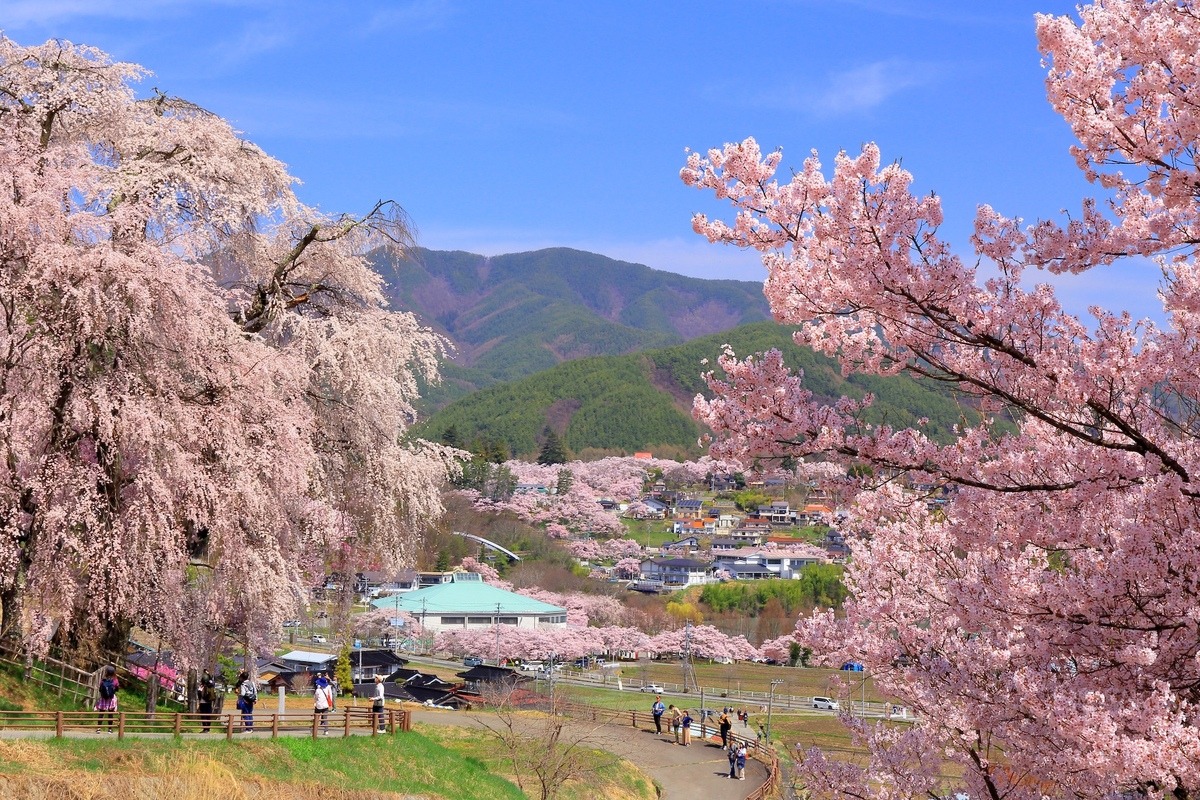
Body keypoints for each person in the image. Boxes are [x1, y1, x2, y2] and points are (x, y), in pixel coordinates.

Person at [95, 665, 119, 734]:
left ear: (106, 672)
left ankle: (98, 729)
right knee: (110, 714)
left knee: (101, 713)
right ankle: (110, 729)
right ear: (114, 672)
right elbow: (117, 689)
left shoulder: (103, 680)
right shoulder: (115, 680)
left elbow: (100, 689)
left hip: (103, 699)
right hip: (111, 699)